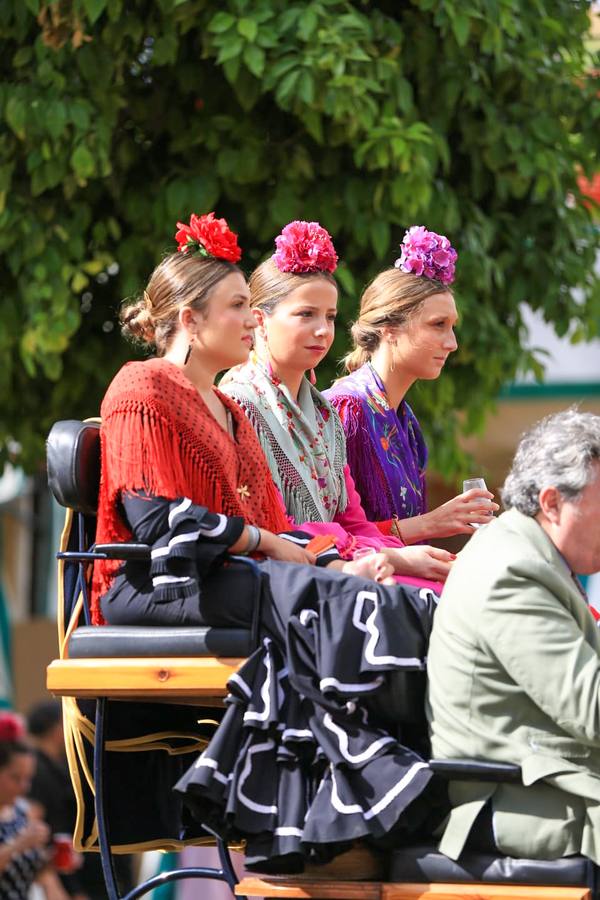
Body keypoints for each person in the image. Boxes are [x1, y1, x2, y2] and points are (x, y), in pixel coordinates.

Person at [93, 211, 444, 873]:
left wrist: (321, 558)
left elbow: (281, 527)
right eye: (236, 307)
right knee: (324, 603)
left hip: (216, 574)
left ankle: (361, 805)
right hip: (151, 583)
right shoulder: (143, 386)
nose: (250, 320)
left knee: (353, 596)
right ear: (190, 320)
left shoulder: (226, 410)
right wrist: (274, 547)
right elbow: (157, 524)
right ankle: (337, 808)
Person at [221, 220, 453, 589]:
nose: (323, 330)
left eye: (329, 317)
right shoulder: (241, 405)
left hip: (343, 565)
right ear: (260, 321)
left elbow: (352, 520)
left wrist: (403, 555)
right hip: (287, 579)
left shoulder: (324, 415)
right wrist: (396, 555)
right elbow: (275, 528)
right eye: (306, 314)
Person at [427, 408, 600, 864]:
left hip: (554, 784)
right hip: (523, 802)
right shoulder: (512, 569)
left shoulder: (532, 556)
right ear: (551, 503)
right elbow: (593, 708)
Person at [325, 225, 498, 542]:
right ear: (390, 329)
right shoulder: (347, 409)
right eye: (438, 325)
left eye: (452, 326)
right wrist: (432, 523)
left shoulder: (403, 419)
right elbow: (330, 535)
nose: (452, 343)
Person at [0, 711, 68, 900]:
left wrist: (52, 860)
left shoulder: (21, 811)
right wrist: (18, 845)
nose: (24, 787)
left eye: (28, 779)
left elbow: (38, 874)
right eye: (16, 778)